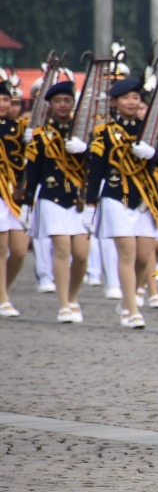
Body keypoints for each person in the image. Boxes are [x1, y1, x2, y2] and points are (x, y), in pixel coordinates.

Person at [86, 78, 158, 329]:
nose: (132, 102)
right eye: (126, 98)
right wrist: (90, 204)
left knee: (144, 257)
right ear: (115, 102)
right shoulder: (105, 132)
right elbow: (96, 171)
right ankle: (131, 309)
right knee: (127, 254)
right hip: (116, 197)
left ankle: (130, 298)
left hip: (145, 199)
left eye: (135, 97)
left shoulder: (149, 131)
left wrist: (153, 155)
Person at [22, 80, 90, 323]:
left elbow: (96, 164)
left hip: (78, 199)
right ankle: (63, 304)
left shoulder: (83, 132)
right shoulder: (41, 135)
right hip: (52, 197)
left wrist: (85, 148)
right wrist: (27, 203)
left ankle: (72, 297)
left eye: (67, 100)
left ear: (73, 103)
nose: (63, 105)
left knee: (82, 255)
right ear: (50, 104)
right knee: (62, 249)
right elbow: (34, 171)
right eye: (58, 101)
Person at [0, 80, 29, 316]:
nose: (2, 104)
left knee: (20, 250)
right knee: (1, 248)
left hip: (15, 195)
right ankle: (3, 299)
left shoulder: (19, 129)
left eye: (6, 100)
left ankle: (3, 291)